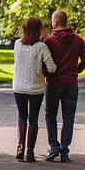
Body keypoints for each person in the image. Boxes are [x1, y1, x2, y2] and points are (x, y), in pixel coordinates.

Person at [43, 10, 85, 162]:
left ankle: (53, 146)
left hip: (53, 83)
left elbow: (44, 62)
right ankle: (64, 150)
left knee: (51, 115)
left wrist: (47, 74)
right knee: (68, 117)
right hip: (71, 83)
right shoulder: (77, 40)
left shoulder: (49, 41)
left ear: (55, 22)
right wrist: (75, 71)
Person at [12, 16, 57, 162]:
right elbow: (52, 68)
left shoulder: (17, 44)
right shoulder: (41, 47)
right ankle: (30, 152)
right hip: (35, 88)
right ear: (39, 30)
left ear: (24, 29)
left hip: (19, 86)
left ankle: (20, 148)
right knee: (33, 119)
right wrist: (45, 37)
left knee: (21, 116)